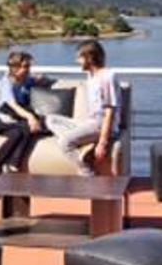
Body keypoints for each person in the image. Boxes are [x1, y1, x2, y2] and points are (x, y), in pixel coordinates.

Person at [45, 39, 120, 176]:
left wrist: (102, 143)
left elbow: (109, 111)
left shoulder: (107, 77)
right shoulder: (91, 76)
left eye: (79, 57)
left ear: (89, 57)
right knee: (50, 119)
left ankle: (87, 172)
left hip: (101, 125)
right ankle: (85, 146)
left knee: (64, 142)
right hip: (90, 122)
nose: (76, 61)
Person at [0, 50, 52, 187]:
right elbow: (12, 105)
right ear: (14, 67)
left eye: (29, 66)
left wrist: (41, 78)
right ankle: (14, 165)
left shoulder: (26, 80)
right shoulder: (4, 84)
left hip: (15, 124)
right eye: (25, 66)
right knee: (27, 127)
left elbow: (44, 80)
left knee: (18, 133)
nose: (27, 70)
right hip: (0, 121)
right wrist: (31, 117)